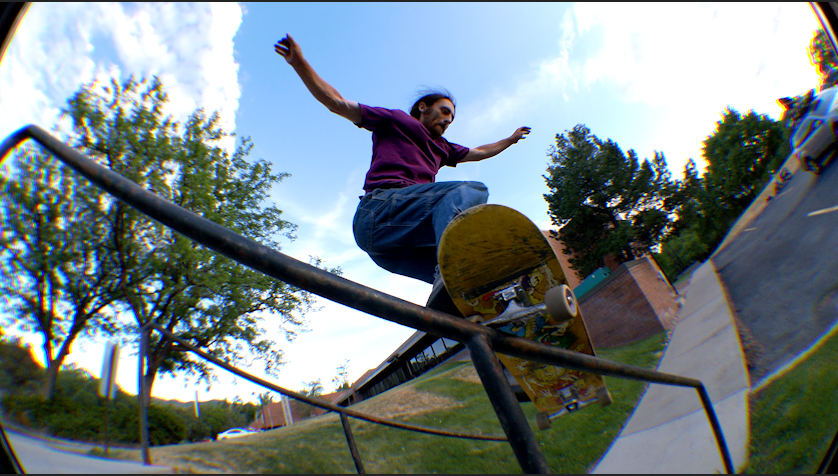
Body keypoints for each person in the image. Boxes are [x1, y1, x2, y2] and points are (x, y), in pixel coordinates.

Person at [275, 34, 530, 304]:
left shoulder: (444, 148)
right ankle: (453, 270)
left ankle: (465, 302)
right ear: (423, 107)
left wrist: (510, 140)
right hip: (380, 210)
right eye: (444, 112)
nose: (448, 120)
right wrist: (299, 63)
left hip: (389, 247)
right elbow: (337, 103)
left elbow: (479, 153)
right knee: (471, 190)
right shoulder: (398, 120)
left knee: (456, 275)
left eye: (452, 117)